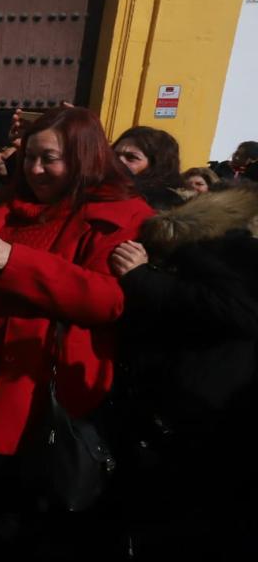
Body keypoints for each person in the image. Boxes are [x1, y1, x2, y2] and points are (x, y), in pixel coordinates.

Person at [0, 106, 153, 561]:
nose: (35, 169)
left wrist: (15, 263)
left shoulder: (120, 215)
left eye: (50, 158)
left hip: (34, 385)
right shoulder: (13, 202)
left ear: (86, 156)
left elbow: (108, 299)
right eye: (29, 157)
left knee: (16, 513)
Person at [108, 184, 258, 560]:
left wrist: (144, 278)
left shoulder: (217, 249)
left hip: (204, 410)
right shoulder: (212, 246)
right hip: (192, 405)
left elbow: (238, 312)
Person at [114, 126, 182, 210]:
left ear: (156, 165)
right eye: (114, 155)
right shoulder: (102, 190)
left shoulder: (165, 205)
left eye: (131, 157)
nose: (119, 161)